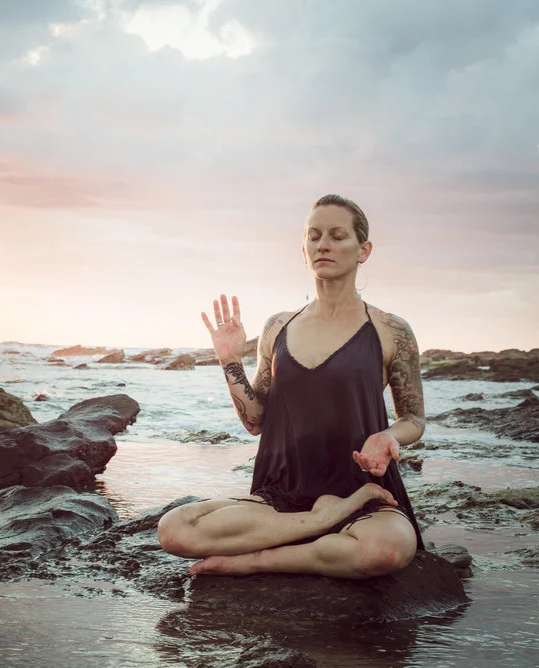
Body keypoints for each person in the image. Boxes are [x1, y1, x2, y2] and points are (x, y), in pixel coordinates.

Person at [156, 194, 426, 579]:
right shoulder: (278, 327)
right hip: (279, 494)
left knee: (388, 549)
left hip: (362, 492)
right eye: (313, 236)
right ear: (303, 249)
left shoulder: (390, 330)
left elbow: (413, 418)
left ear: (363, 250)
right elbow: (256, 422)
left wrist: (387, 435)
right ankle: (324, 523)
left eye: (337, 235)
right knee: (175, 529)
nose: (323, 245)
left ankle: (256, 560)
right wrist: (229, 360)